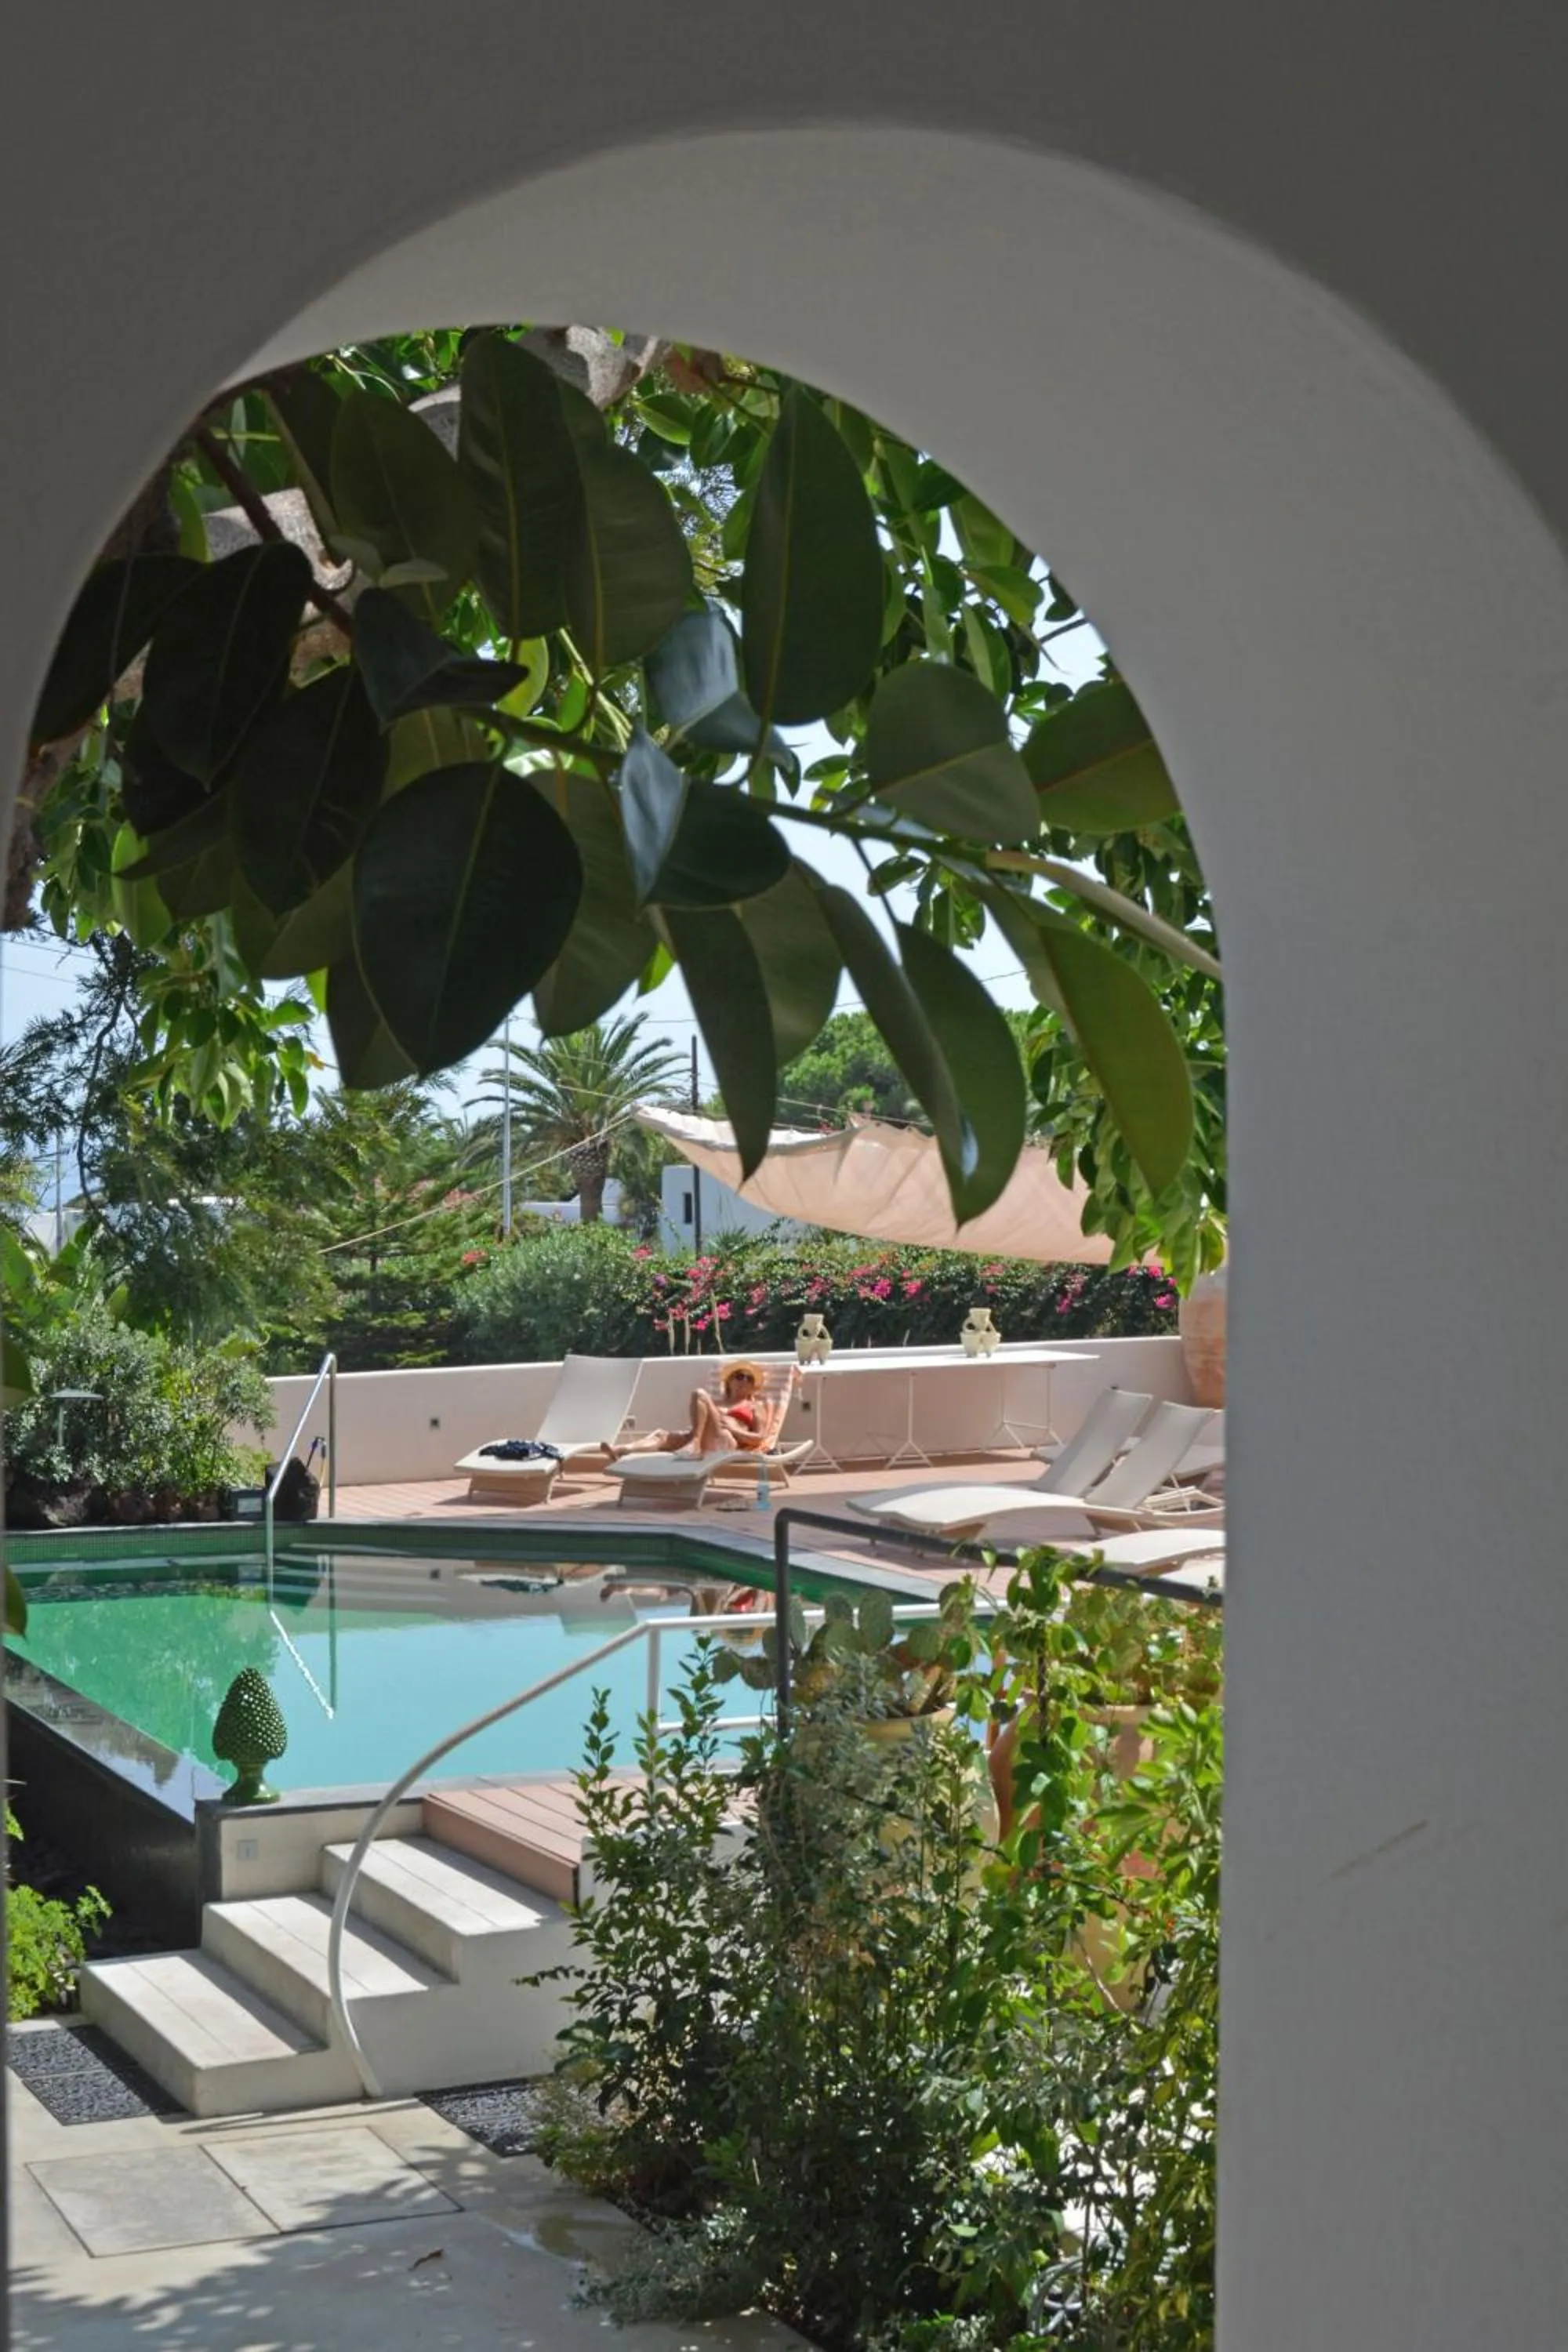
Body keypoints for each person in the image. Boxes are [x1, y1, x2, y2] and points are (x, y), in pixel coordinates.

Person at [609, 1360, 799, 1461]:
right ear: (729, 1381)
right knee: (661, 1436)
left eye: (749, 1379)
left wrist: (734, 1430)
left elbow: (760, 1438)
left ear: (753, 1387)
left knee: (699, 1394)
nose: (743, 1381)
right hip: (703, 1437)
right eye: (739, 1376)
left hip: (726, 1441)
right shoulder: (717, 1402)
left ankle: (695, 1443)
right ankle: (622, 1450)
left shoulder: (755, 1407)